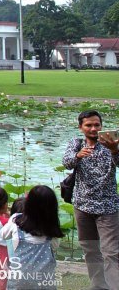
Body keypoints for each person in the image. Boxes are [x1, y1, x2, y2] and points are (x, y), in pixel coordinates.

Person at [62, 109, 119, 289]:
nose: (93, 129)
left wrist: (114, 150)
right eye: (89, 125)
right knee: (90, 250)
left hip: (108, 207)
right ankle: (98, 286)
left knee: (112, 252)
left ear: (101, 126)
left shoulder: (112, 144)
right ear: (81, 127)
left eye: (97, 125)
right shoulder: (76, 143)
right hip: (82, 206)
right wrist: (77, 156)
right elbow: (66, 162)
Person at [0, 185, 63, 289]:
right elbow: (54, 247)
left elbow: (3, 234)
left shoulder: (15, 220)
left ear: (28, 205)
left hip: (18, 281)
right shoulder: (52, 233)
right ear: (53, 209)